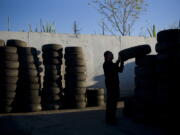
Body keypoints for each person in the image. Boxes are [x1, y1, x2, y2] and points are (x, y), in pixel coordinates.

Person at [103, 51, 124, 125]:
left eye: (112, 54)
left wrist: (122, 62)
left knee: (114, 102)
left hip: (115, 85)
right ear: (107, 56)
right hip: (110, 86)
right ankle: (109, 119)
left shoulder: (112, 64)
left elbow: (120, 70)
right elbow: (112, 69)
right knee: (110, 103)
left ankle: (113, 117)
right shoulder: (106, 64)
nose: (112, 55)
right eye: (110, 54)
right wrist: (118, 61)